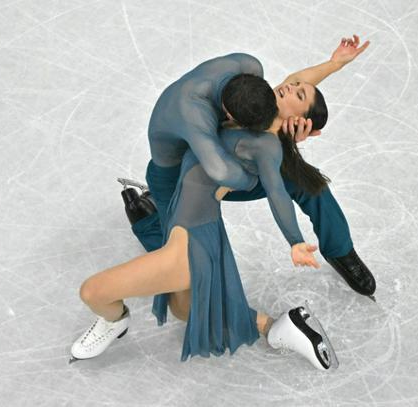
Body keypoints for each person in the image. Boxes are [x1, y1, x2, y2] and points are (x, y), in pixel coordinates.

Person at [70, 82, 338, 370]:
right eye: (293, 85)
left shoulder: (266, 145)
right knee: (183, 309)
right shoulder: (246, 113)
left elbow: (277, 192)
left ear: (300, 121)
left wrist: (295, 240)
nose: (290, 87)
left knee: (92, 292)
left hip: (190, 242)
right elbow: (288, 86)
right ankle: (278, 327)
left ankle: (115, 321)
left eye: (299, 94)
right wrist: (334, 65)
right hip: (192, 227)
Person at [129, 35, 376, 298]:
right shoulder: (194, 113)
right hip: (182, 178)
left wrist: (334, 64)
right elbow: (222, 172)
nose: (286, 88)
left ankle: (340, 250)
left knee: (308, 183)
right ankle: (149, 222)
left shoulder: (248, 73)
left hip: (226, 160)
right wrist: (273, 153)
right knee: (183, 264)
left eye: (294, 91)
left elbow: (294, 82)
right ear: (230, 115)